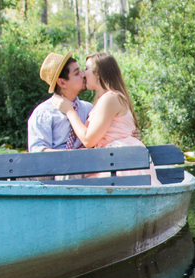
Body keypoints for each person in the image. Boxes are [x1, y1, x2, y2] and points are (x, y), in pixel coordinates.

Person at [52, 52, 158, 184]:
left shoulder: (110, 98)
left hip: (121, 163)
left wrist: (69, 111)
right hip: (113, 161)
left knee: (78, 184)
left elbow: (88, 139)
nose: (84, 74)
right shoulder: (101, 101)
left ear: (98, 74)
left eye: (86, 69)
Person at [27, 52, 93, 152]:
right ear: (62, 82)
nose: (83, 75)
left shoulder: (89, 109)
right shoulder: (43, 113)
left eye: (81, 70)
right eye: (76, 73)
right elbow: (38, 151)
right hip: (54, 167)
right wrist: (72, 156)